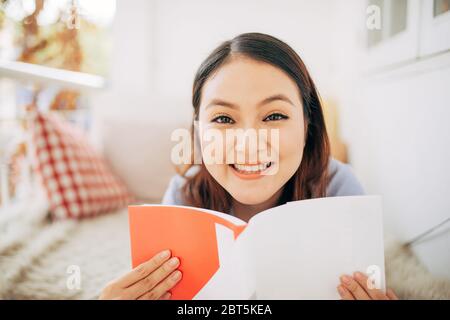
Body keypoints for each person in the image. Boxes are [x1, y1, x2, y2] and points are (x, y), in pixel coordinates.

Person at [99, 33, 398, 300]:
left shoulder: (339, 188)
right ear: (199, 131)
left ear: (308, 125)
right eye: (224, 119)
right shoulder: (184, 195)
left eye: (274, 116)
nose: (249, 144)